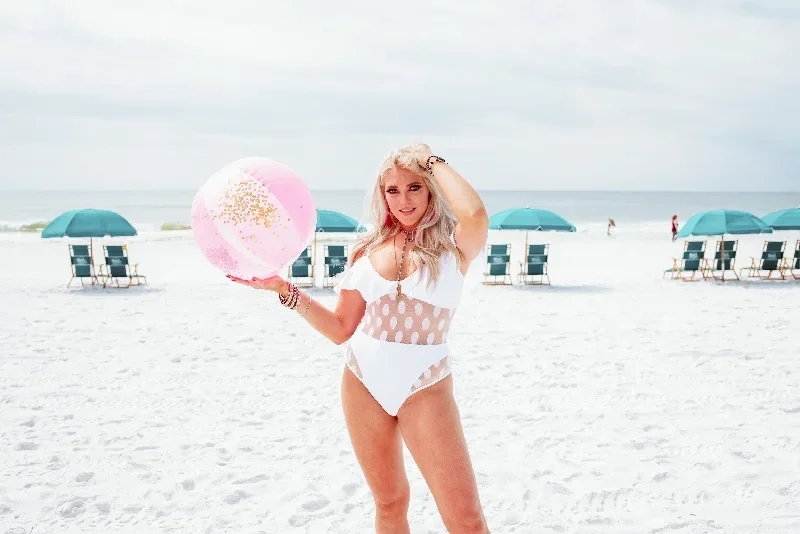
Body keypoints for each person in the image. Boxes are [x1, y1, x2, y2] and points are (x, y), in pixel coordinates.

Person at [229, 143, 491, 533]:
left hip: (426, 383)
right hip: (362, 379)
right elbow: (340, 329)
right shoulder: (367, 251)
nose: (403, 200)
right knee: (389, 502)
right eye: (393, 190)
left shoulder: (455, 246)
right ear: (381, 196)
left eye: (415, 187)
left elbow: (474, 211)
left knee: (465, 520)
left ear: (432, 188)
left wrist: (431, 160)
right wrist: (284, 290)